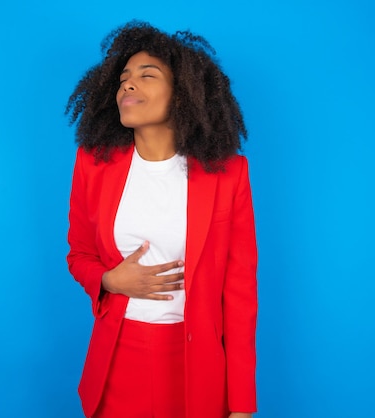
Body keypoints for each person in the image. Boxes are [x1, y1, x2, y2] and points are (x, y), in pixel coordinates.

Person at [65, 20, 258, 418]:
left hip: (194, 368)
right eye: (123, 78)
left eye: (146, 75)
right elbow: (79, 253)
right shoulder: (93, 164)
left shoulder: (228, 174)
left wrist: (241, 404)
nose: (128, 85)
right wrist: (108, 280)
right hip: (117, 359)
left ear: (183, 95)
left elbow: (240, 296)